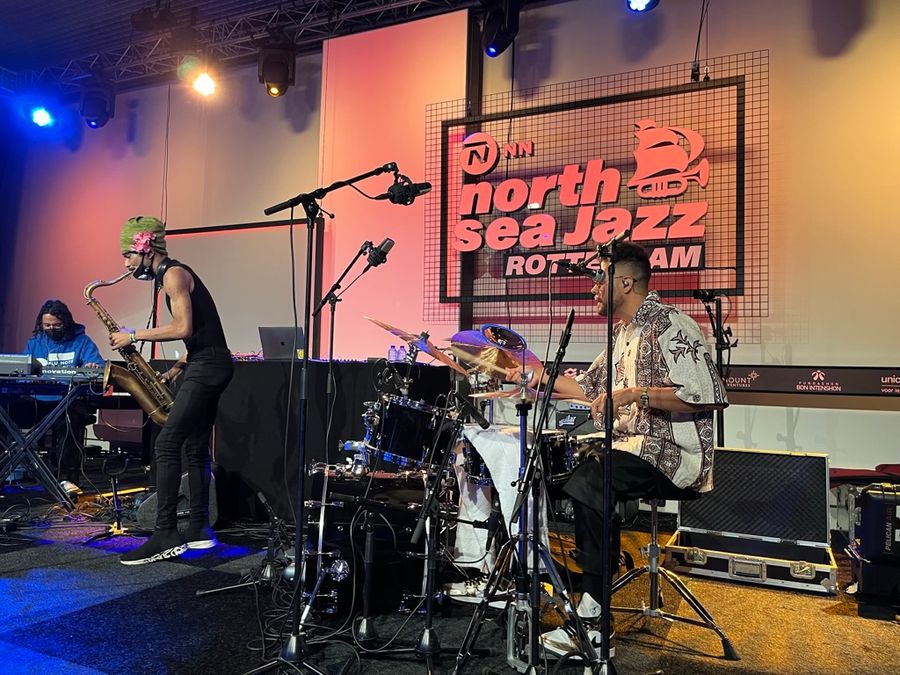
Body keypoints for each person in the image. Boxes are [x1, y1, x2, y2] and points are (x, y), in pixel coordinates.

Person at [506, 241, 728, 657]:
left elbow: (707, 395)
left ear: (625, 282)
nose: (592, 287)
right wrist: (533, 376)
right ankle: (578, 588)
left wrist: (632, 395)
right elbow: (587, 388)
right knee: (564, 474)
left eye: (599, 277)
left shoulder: (671, 325)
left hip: (674, 455)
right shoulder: (623, 334)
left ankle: (592, 617)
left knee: (593, 476)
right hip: (631, 448)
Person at [111, 216, 233, 565]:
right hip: (207, 361)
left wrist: (133, 335)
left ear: (144, 248)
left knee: (166, 443)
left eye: (127, 255)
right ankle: (198, 529)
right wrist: (178, 368)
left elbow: (183, 327)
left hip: (209, 365)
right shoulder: (173, 274)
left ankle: (165, 534)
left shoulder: (173, 275)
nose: (125, 264)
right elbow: (202, 336)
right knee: (195, 447)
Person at [21, 299, 104, 485]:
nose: (51, 329)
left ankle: (66, 481)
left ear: (66, 322)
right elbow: (21, 371)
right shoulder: (35, 343)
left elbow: (99, 367)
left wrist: (91, 367)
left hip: (67, 400)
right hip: (37, 401)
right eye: (47, 325)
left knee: (70, 417)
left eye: (56, 325)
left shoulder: (82, 341)